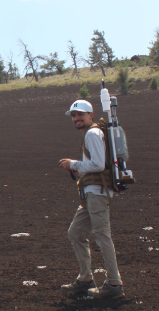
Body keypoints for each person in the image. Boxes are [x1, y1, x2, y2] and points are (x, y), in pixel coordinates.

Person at [58, 99, 124, 298]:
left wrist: (74, 165)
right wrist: (81, 170)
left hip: (98, 194)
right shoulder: (92, 133)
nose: (76, 118)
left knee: (102, 236)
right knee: (76, 232)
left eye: (80, 114)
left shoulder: (93, 134)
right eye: (73, 115)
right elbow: (95, 164)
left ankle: (114, 285)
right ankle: (86, 278)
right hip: (91, 194)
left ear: (91, 114)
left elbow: (97, 164)